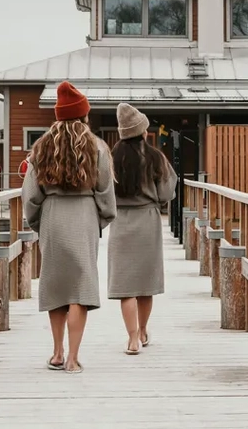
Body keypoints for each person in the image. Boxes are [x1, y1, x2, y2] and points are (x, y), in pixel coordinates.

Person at [22, 81, 116, 374]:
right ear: (84, 115)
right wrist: (100, 220)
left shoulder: (41, 148)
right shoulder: (97, 147)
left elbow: (31, 196)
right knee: (80, 290)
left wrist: (39, 223)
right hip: (84, 216)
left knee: (55, 286)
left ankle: (57, 352)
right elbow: (105, 192)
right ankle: (73, 358)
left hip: (52, 216)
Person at [109, 102, 178, 355]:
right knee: (145, 284)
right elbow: (168, 189)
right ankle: (143, 330)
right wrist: (157, 201)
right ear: (142, 130)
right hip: (148, 221)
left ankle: (131, 339)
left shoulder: (112, 158)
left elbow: (104, 190)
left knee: (126, 285)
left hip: (121, 222)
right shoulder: (155, 156)